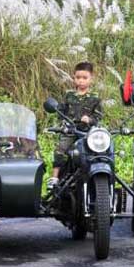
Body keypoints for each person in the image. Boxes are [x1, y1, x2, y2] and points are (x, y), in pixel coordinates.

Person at [48, 62, 104, 190]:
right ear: (74, 77)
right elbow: (61, 112)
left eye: (85, 78)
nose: (81, 81)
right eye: (78, 77)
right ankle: (54, 177)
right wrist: (64, 122)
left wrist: (89, 120)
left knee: (99, 152)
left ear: (91, 79)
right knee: (60, 150)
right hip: (70, 131)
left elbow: (98, 117)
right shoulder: (69, 95)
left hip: (87, 133)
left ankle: (98, 178)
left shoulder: (95, 98)